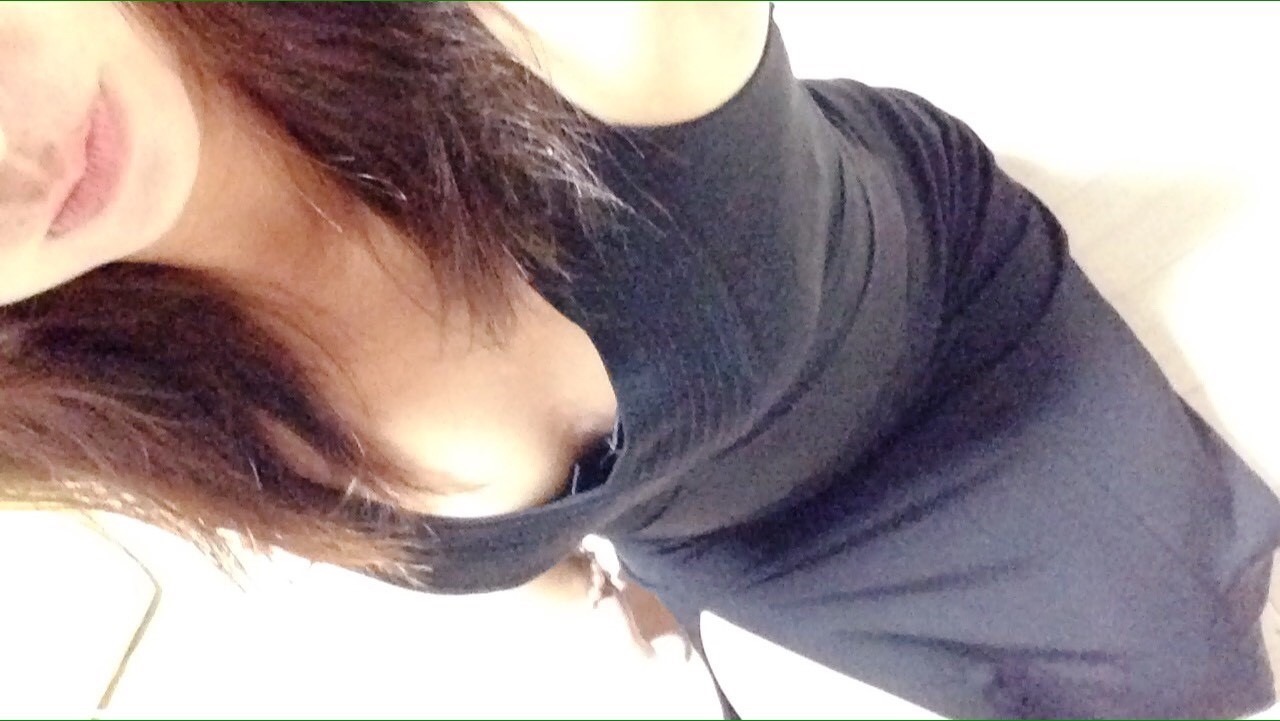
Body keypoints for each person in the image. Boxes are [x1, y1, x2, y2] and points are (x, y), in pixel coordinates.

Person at [1, 2, 1276, 717]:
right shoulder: (104, 386)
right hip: (723, 545)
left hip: (942, 367)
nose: (14, 160)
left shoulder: (577, 34)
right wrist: (593, 616)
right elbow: (459, 555)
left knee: (1177, 669)